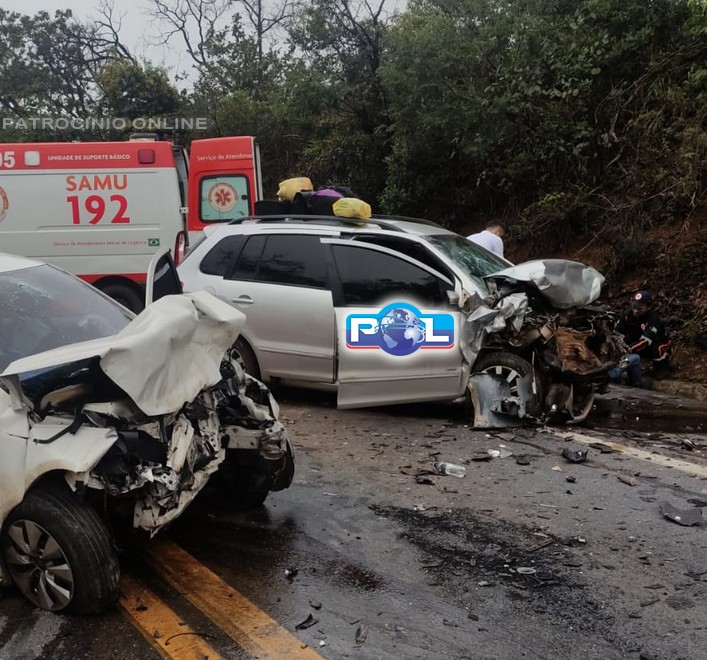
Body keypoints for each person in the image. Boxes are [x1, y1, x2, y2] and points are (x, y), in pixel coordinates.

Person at [609, 290, 673, 387]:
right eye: (634, 307)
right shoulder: (627, 315)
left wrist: (630, 349)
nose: (636, 311)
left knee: (657, 349)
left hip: (653, 342)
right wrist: (619, 345)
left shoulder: (653, 319)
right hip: (635, 341)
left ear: (648, 307)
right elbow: (617, 333)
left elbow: (646, 340)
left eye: (640, 308)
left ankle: (662, 368)